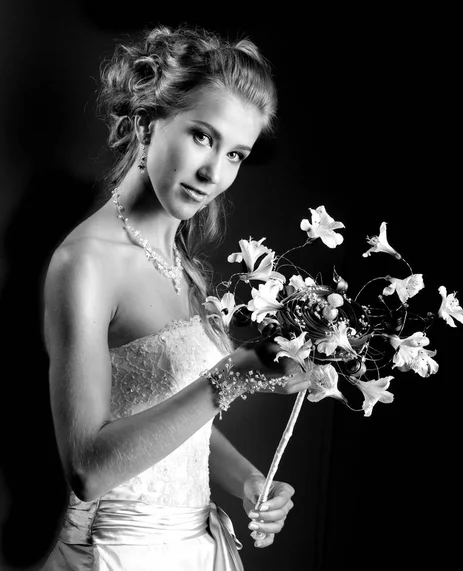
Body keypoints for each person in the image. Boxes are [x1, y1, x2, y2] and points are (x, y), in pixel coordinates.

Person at [40, 23, 310, 571]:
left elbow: (177, 432)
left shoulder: (186, 267)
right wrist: (229, 378)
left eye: (236, 154)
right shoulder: (86, 263)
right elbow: (87, 470)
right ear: (147, 123)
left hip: (197, 548)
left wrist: (248, 480)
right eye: (203, 136)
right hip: (121, 553)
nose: (213, 173)